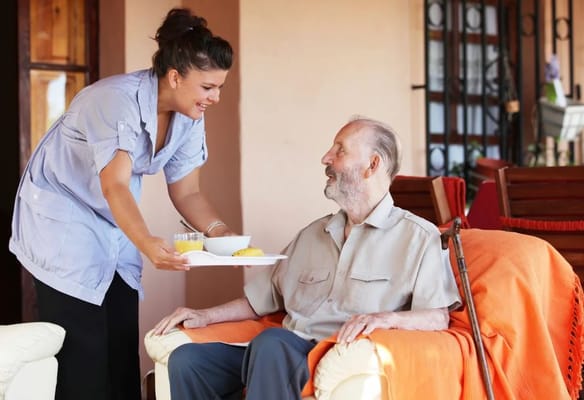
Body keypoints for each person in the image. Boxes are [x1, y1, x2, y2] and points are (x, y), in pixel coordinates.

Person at [9, 8, 236, 400]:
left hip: (113, 222)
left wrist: (221, 234)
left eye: (219, 88)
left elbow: (187, 193)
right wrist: (148, 244)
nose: (214, 98)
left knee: (121, 352)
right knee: (83, 358)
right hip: (63, 219)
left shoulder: (188, 115)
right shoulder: (115, 101)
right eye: (207, 87)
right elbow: (114, 185)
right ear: (176, 76)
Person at [153, 117, 462, 400]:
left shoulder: (418, 237)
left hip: (338, 354)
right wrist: (204, 316)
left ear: (372, 165)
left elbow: (436, 317)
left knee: (272, 344)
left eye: (339, 150)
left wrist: (385, 320)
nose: (326, 158)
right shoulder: (312, 235)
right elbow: (260, 300)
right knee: (188, 361)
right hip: (282, 352)